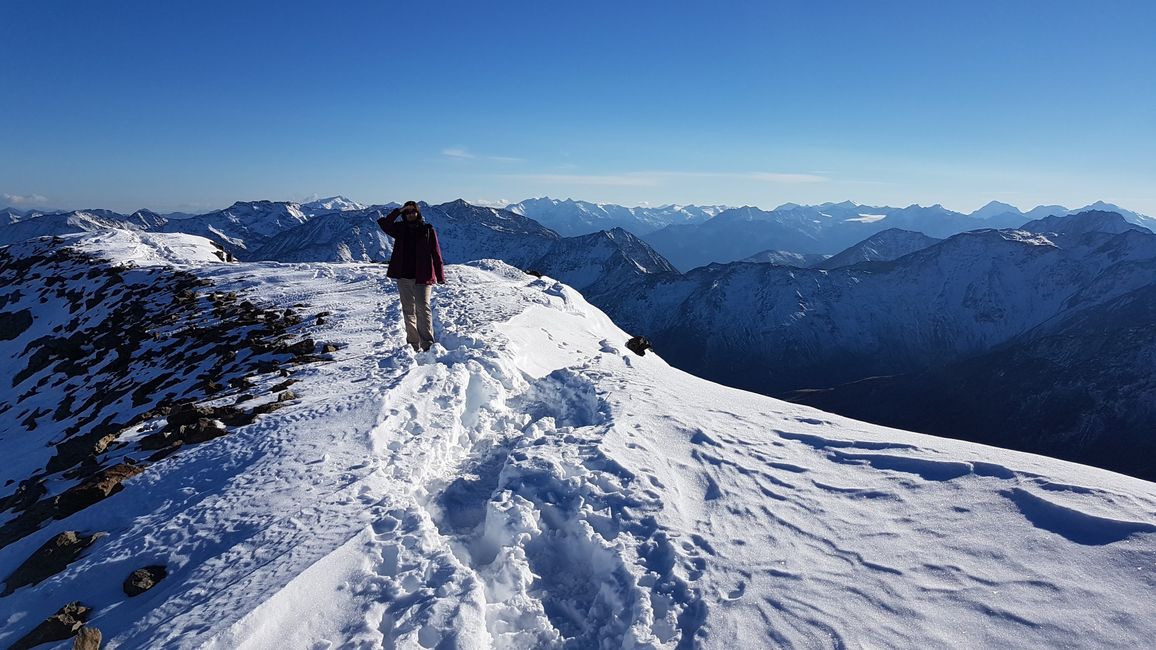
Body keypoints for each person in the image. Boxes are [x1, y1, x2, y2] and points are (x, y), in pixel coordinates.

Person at [376, 201, 446, 351]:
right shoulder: (399, 229)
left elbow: (436, 253)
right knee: (408, 311)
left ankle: (427, 344)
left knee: (423, 308)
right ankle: (413, 345)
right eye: (407, 212)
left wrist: (440, 275)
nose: (410, 214)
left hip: (423, 276)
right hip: (404, 276)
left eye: (413, 211)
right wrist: (398, 210)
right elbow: (384, 223)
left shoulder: (427, 229)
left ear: (418, 212)